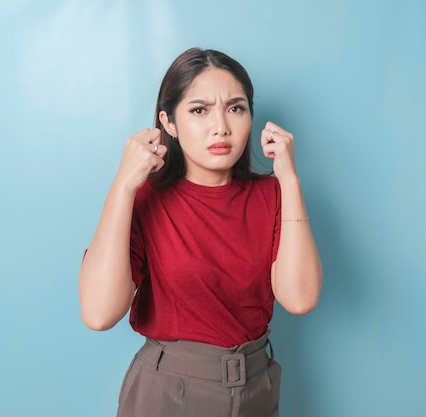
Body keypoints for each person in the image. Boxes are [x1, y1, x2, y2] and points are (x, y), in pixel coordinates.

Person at [78, 47, 322, 417]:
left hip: (257, 387)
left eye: (235, 108)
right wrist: (123, 186)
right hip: (169, 394)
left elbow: (300, 298)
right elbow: (98, 314)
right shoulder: (147, 199)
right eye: (199, 110)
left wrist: (289, 180)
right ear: (169, 123)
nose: (221, 126)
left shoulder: (272, 195)